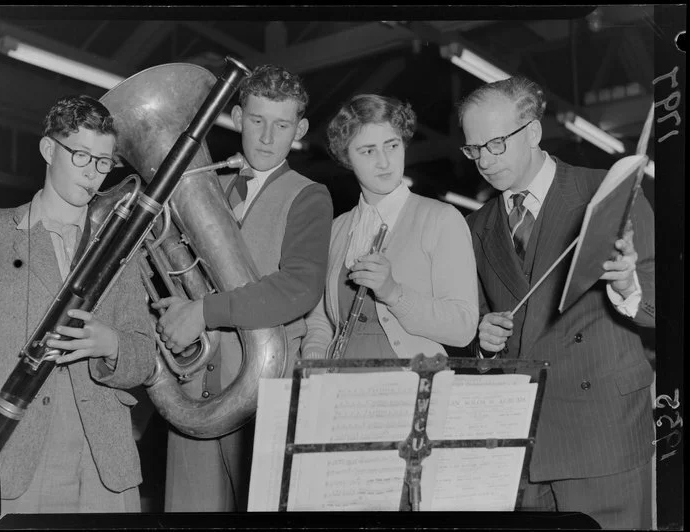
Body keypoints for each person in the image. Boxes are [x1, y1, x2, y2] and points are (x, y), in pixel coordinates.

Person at [458, 76, 655, 529]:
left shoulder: (609, 191)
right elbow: (468, 330)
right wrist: (480, 340)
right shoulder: (475, 226)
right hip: (519, 448)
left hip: (602, 437)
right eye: (474, 150)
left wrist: (627, 285)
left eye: (496, 143)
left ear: (532, 131)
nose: (485, 161)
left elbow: (664, 303)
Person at [153, 64, 333, 512]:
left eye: (282, 125)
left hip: (265, 393)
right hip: (195, 388)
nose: (268, 137)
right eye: (257, 121)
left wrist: (204, 312)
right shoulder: (207, 186)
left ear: (300, 129)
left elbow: (299, 288)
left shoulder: (309, 195)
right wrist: (176, 306)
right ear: (236, 117)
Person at [0, 95, 156, 513]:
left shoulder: (121, 246)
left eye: (104, 163)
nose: (94, 175)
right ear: (49, 149)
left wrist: (114, 345)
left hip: (106, 465)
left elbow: (145, 357)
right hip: (16, 456)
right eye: (82, 156)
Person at [301, 94, 479, 374]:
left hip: (412, 388)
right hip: (341, 390)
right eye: (368, 151)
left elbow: (464, 327)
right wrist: (315, 358)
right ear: (346, 157)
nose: (384, 162)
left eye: (392, 145)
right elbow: (320, 317)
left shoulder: (441, 219)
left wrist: (394, 293)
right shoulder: (337, 229)